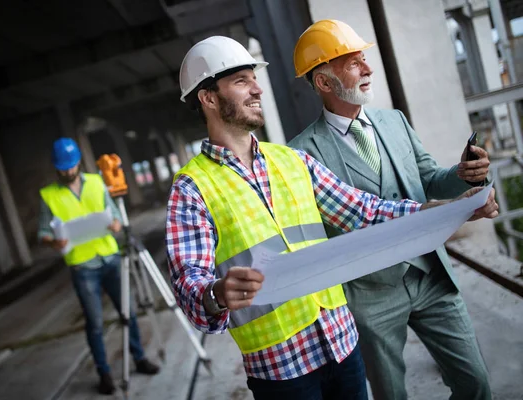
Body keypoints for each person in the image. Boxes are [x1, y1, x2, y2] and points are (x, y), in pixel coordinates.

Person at [165, 36, 498, 400]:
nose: (258, 89)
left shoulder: (292, 162)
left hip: (341, 342)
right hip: (281, 365)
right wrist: (217, 293)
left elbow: (364, 210)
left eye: (254, 78)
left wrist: (448, 211)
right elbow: (188, 286)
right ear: (209, 97)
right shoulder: (192, 188)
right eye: (241, 81)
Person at [288, 19, 493, 400]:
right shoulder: (301, 154)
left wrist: (463, 175)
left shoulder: (393, 121)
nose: (367, 69)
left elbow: (430, 178)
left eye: (364, 59)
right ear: (324, 82)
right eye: (353, 63)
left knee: (475, 383)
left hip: (431, 277)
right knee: (391, 395)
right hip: (371, 296)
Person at [38, 138, 159, 395]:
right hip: (82, 266)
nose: (67, 172)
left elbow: (114, 213)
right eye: (62, 168)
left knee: (129, 312)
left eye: (70, 166)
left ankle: (139, 358)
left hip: (109, 257)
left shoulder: (96, 182)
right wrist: (53, 241)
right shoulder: (48, 195)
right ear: (56, 167)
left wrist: (116, 224)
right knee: (94, 324)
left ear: (78, 162)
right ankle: (104, 373)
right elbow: (41, 233)